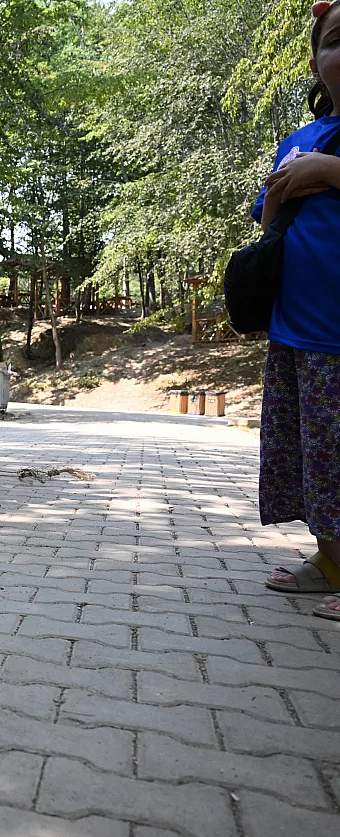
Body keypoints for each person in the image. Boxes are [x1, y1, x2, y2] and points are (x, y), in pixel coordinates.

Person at [258, 0, 340, 622]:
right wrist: (290, 182)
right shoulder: (300, 139)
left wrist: (329, 171)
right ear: (316, 64)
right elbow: (269, 223)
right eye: (336, 40)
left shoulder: (319, 153)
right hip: (300, 325)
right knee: (318, 453)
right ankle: (332, 559)